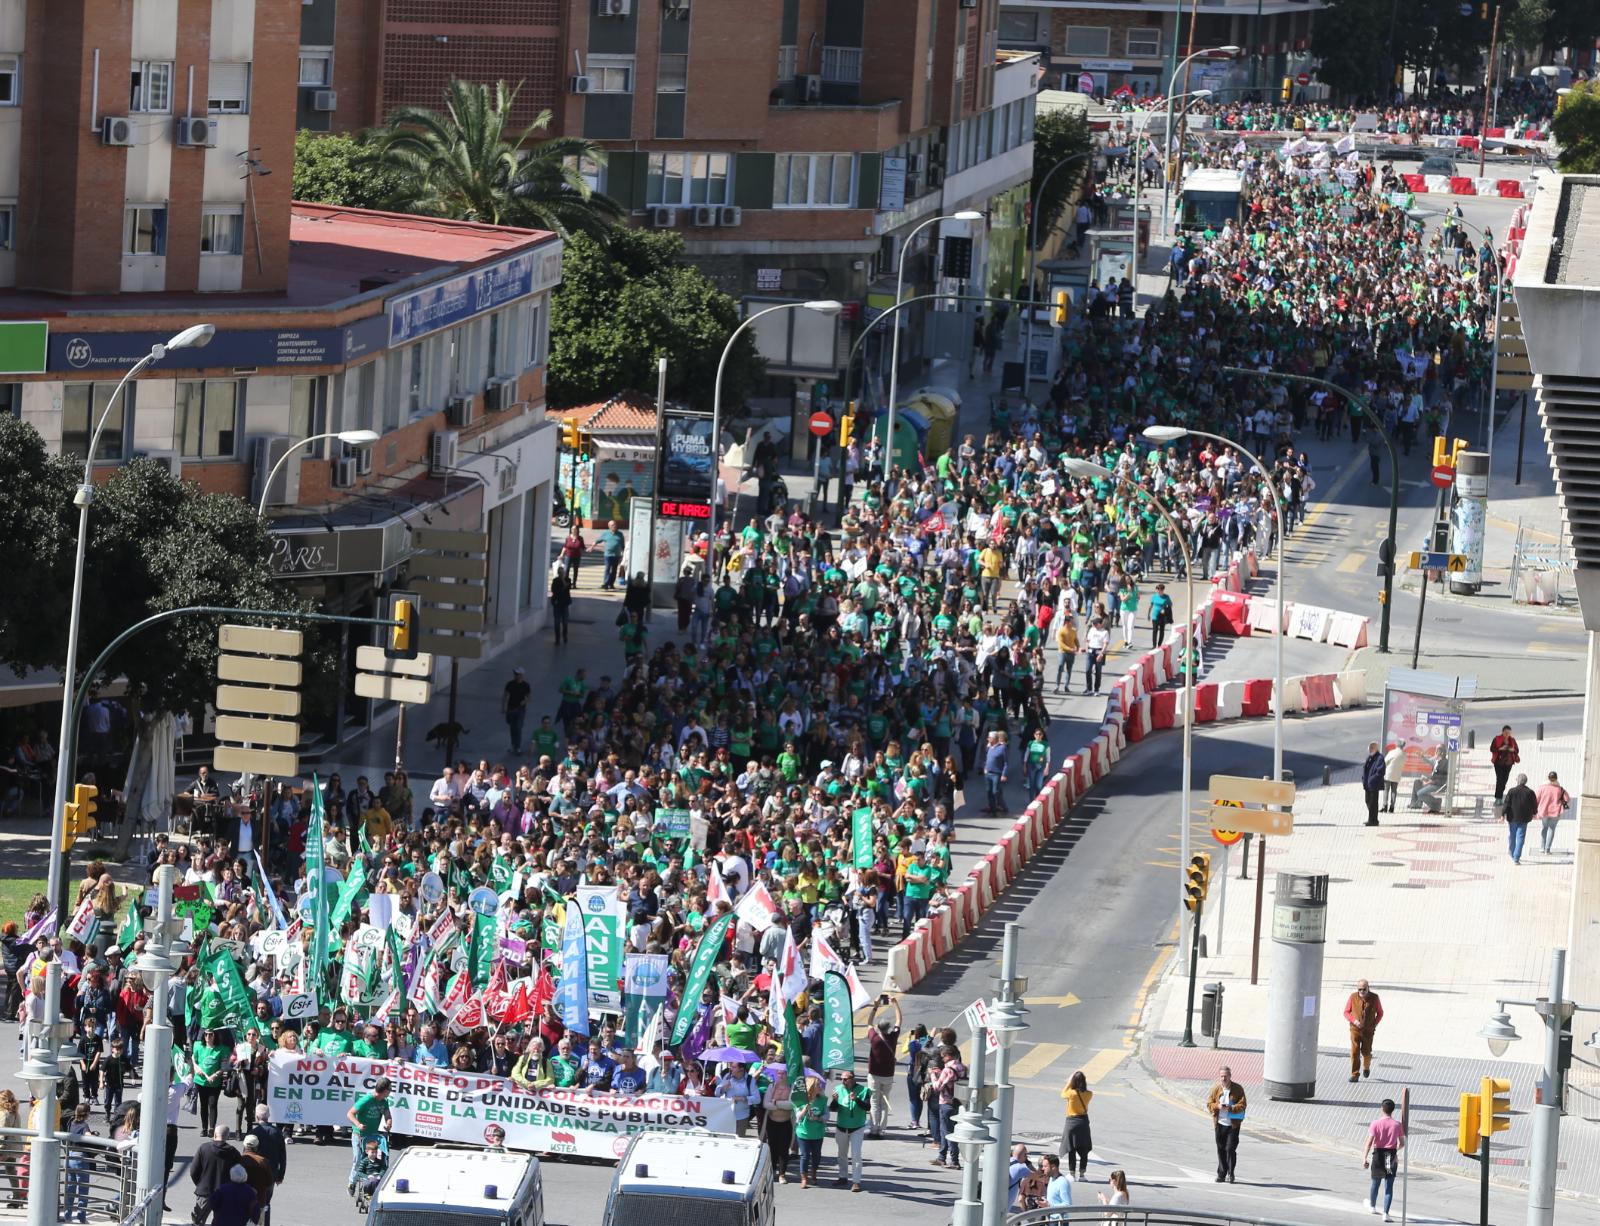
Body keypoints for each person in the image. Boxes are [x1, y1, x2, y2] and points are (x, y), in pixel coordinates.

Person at [345, 1077, 391, 1192]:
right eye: (389, 1089)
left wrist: (389, 1123)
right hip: (359, 1135)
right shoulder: (366, 1100)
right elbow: (350, 1114)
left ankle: (371, 1183)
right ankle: (352, 1182)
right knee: (358, 1160)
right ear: (384, 1091)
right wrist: (358, 1124)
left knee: (375, 1159)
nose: (390, 1091)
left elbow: (388, 1115)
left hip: (373, 1135)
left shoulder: (384, 1101)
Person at [189, 1125, 241, 1226]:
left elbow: (193, 1171)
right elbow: (239, 1174)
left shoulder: (203, 1148)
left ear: (214, 1135)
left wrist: (200, 1184)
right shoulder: (233, 1153)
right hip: (225, 1194)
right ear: (228, 1136)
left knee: (198, 1222)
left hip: (205, 1192)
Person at [865, 996, 902, 1137]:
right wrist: (895, 1004)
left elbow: (868, 1023)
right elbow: (899, 1020)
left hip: (874, 1074)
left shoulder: (874, 1037)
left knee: (874, 1102)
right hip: (888, 1075)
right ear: (888, 1029)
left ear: (878, 1028)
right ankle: (882, 1129)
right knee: (885, 1101)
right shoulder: (893, 1037)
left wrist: (875, 1007)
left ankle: (874, 1129)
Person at [1363, 1098, 1404, 1221]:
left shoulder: (1375, 1123)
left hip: (1378, 1156)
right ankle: (1386, 1213)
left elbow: (1369, 1143)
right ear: (1392, 1110)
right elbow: (1402, 1143)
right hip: (1390, 1157)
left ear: (1382, 1109)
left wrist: (1364, 1157)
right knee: (1389, 1186)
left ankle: (1372, 1206)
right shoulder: (1397, 1125)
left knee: (1375, 1183)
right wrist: (1395, 1152)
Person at [830, 1068, 871, 1191]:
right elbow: (833, 1108)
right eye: (841, 1079)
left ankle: (856, 1181)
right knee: (842, 1154)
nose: (843, 1081)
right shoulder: (838, 1089)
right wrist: (835, 1101)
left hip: (857, 1128)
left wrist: (856, 1099)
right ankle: (842, 1177)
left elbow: (867, 1107)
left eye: (845, 1079)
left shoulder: (864, 1090)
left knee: (856, 1155)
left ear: (852, 1079)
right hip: (841, 1127)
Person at [1206, 1066, 1246, 1183]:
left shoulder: (1238, 1089)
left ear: (1230, 1076)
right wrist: (1217, 1106)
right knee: (1221, 1149)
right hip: (1219, 1124)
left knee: (1230, 1149)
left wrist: (1231, 1108)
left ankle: (1231, 1173)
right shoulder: (1216, 1089)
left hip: (1233, 1125)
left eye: (1226, 1076)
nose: (1223, 1078)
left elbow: (1243, 1105)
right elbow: (1209, 1103)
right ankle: (1221, 1174)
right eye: (1222, 1076)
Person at [1343, 979, 1384, 1082]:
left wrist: (1374, 1024)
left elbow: (1380, 1012)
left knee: (1366, 1052)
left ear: (1368, 988)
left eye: (1364, 989)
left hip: (1368, 1030)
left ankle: (1366, 1067)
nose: (1361, 991)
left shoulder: (1375, 998)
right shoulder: (1353, 997)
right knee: (1354, 1052)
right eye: (1359, 989)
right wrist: (1354, 1021)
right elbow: (1346, 1012)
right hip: (1355, 1029)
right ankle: (1355, 1074)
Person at [794, 1075, 828, 1189]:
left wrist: (818, 1118)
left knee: (816, 1156)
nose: (820, 1087)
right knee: (805, 1156)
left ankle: (814, 1172)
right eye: (818, 1085)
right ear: (812, 1086)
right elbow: (797, 1117)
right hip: (803, 1133)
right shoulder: (801, 1099)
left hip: (817, 1133)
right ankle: (804, 1178)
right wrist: (805, 1108)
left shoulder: (823, 1099)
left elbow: (826, 1115)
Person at [1058, 1069, 1092, 1178]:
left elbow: (1062, 1094)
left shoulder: (1071, 1094)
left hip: (1071, 1122)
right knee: (1084, 1149)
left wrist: (1069, 1082)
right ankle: (1082, 1174)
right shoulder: (1089, 1094)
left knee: (1071, 1148)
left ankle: (1072, 1173)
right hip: (1083, 1122)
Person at [239, 1136, 275, 1226]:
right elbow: (270, 1182)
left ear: (244, 1145)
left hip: (240, 1202)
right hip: (259, 1201)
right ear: (257, 1146)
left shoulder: (238, 1160)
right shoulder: (263, 1161)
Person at [1502, 773, 1537, 864]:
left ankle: (1512, 851)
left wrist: (1502, 814)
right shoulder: (1530, 792)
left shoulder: (1512, 791)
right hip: (1524, 818)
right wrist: (1534, 813)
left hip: (1512, 817)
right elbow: (1534, 804)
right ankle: (1516, 857)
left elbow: (1506, 804)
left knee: (1512, 835)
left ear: (1517, 780)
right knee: (1520, 837)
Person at [1535, 770, 1571, 856]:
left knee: (1544, 828)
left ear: (1548, 778)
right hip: (1555, 812)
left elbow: (1536, 799)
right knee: (1551, 829)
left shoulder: (1542, 788)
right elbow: (1567, 799)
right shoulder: (1560, 789)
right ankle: (1547, 850)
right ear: (1556, 779)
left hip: (1544, 811)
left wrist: (1535, 810)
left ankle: (1542, 847)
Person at [502, 667, 531, 755]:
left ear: (522, 675)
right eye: (516, 674)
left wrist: (524, 701)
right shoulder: (510, 684)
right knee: (512, 728)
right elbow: (505, 695)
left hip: (520, 709)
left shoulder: (525, 685)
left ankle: (517, 747)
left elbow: (529, 697)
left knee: (518, 727)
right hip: (511, 708)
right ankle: (513, 745)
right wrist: (503, 707)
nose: (517, 676)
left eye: (518, 674)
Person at [1490, 725, 1520, 802]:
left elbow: (1517, 750)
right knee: (1500, 779)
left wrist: (1512, 750)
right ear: (1502, 732)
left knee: (1505, 780)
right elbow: (1492, 748)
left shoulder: (1512, 740)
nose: (1507, 734)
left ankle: (1500, 794)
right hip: (1498, 763)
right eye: (1506, 733)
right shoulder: (1497, 739)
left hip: (1508, 763)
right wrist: (1500, 748)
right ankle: (1498, 798)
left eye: (1509, 733)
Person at [597, 520, 626, 590]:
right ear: (609, 526)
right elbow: (599, 540)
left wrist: (624, 554)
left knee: (614, 570)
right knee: (607, 569)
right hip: (608, 555)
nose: (614, 526)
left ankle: (611, 584)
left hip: (616, 555)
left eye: (615, 525)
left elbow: (622, 545)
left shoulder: (620, 534)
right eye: (612, 525)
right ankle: (605, 584)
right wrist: (592, 546)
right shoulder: (606, 533)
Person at [1361, 742, 1385, 827]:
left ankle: (1373, 821)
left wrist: (1371, 780)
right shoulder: (1370, 757)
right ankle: (1372, 819)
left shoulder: (1380, 758)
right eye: (1369, 748)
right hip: (1367, 784)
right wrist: (1364, 778)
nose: (1369, 750)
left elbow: (1380, 772)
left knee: (1373, 803)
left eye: (1371, 748)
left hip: (1374, 785)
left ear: (1375, 748)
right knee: (1368, 801)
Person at [550, 569, 573, 644]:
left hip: (565, 603)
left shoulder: (568, 579)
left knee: (565, 622)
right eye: (560, 573)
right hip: (557, 603)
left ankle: (565, 636)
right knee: (557, 622)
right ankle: (557, 638)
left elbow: (568, 587)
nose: (562, 574)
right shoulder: (555, 580)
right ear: (558, 573)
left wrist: (563, 580)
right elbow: (554, 590)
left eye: (563, 573)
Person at [1381, 742, 1405, 813]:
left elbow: (1385, 761)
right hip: (1397, 774)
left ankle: (1385, 806)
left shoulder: (1392, 752)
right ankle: (1392, 807)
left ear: (1397, 745)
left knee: (1386, 790)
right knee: (1394, 791)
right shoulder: (1404, 754)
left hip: (1388, 774)